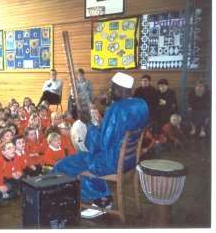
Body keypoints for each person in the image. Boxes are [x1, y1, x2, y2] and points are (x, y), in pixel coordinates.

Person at [52, 72, 149, 219]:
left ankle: (97, 200)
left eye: (112, 88)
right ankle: (103, 198)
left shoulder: (116, 109)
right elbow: (118, 134)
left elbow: (100, 144)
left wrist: (89, 124)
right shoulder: (141, 104)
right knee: (84, 160)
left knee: (64, 165)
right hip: (130, 161)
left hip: (110, 162)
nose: (110, 90)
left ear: (120, 90)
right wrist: (101, 123)